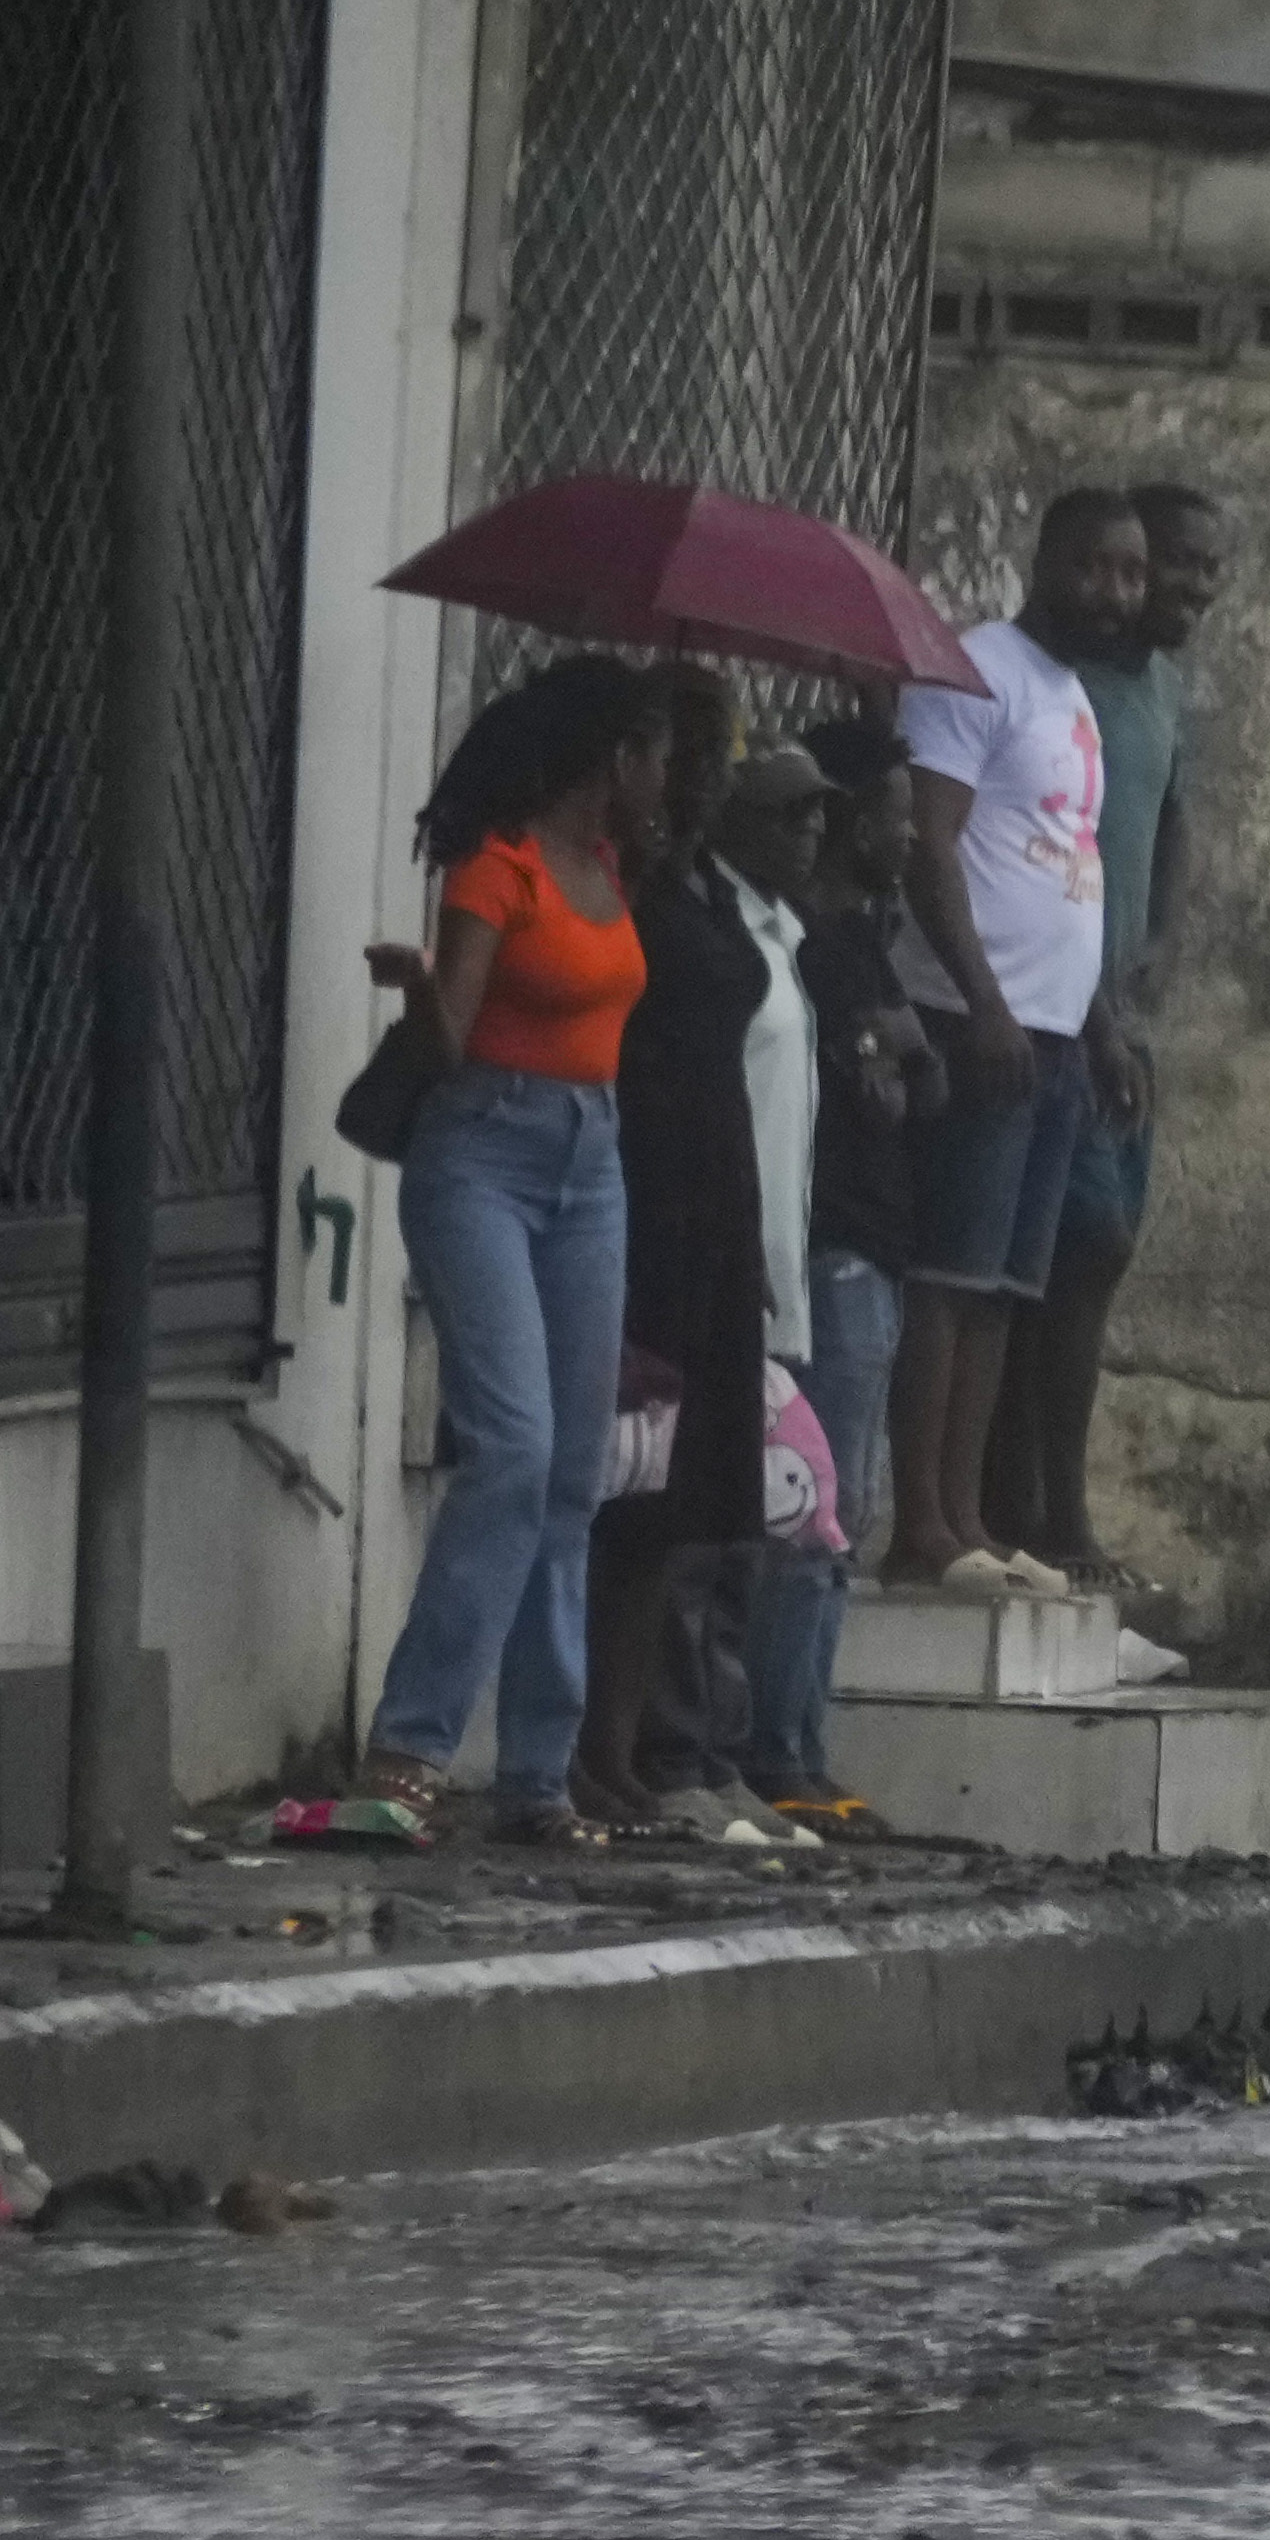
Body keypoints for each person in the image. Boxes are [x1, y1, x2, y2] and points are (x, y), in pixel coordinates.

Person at [365, 653, 663, 1841]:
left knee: (573, 1473)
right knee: (514, 1448)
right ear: (613, 760)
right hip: (479, 1153)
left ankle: (537, 1774)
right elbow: (449, 1039)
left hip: (592, 1162)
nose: (667, 774)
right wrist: (416, 989)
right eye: (655, 752)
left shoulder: (611, 866)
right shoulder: (498, 868)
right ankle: (408, 1748)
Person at [889, 487, 1145, 1593]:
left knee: (1003, 1289)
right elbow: (930, 847)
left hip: (1052, 1037)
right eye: (1095, 567)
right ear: (1044, 562)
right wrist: (985, 1003)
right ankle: (919, 1529)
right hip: (973, 1023)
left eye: (1129, 573)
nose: (1116, 592)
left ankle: (969, 1519)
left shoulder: (1073, 694)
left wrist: (1096, 1028)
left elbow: (1063, 864)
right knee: (946, 1277)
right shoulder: (972, 668)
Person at [988, 479, 1223, 1585]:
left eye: (1195, 570)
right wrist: (1091, 1015)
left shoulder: (1160, 689)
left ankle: (1035, 1511)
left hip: (1123, 1017)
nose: (1186, 589)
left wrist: (1169, 938)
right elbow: (1050, 851)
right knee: (1060, 1254)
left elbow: (1170, 819)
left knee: (1087, 1254)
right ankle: (1037, 1514)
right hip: (1056, 1013)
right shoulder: (1053, 683)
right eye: (1170, 565)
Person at [578, 665, 779, 1833]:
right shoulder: (629, 885)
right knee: (624, 1486)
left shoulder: (707, 886)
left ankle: (624, 1749)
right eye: (684, 752)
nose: (704, 777)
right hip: (646, 1188)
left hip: (719, 1194)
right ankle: (585, 1744)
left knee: (683, 1495)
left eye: (719, 754)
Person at [749, 748, 931, 1825]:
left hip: (873, 1247)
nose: (908, 835)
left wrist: (899, 1050)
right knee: (814, 1512)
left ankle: (798, 1744)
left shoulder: (857, 937)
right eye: (893, 813)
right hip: (836, 1247)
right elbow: (884, 1094)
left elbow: (923, 1080)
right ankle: (780, 1748)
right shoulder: (810, 946)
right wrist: (887, 1048)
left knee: (837, 1514)